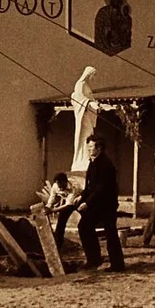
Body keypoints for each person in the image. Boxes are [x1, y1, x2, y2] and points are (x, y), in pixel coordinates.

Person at [76, 135, 125, 272]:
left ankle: (117, 265)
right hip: (97, 204)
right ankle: (94, 258)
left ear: (99, 148)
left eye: (91, 147)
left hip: (106, 205)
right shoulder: (93, 162)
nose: (88, 149)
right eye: (88, 147)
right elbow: (90, 186)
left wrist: (87, 203)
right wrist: (81, 196)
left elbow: (101, 188)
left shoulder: (105, 164)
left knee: (110, 233)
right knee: (85, 226)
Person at [70, 67, 102, 172]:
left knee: (89, 136)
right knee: (85, 138)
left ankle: (86, 159)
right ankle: (81, 160)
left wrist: (96, 105)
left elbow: (90, 100)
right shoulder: (80, 84)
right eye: (93, 75)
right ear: (89, 74)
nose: (94, 77)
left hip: (88, 115)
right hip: (83, 116)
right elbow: (80, 99)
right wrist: (91, 103)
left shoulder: (86, 86)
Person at [45, 172, 79, 250]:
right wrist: (47, 207)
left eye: (61, 186)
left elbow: (69, 205)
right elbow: (52, 197)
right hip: (69, 202)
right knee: (60, 223)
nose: (60, 188)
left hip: (80, 201)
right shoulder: (55, 186)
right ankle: (57, 246)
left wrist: (53, 210)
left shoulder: (74, 187)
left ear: (65, 182)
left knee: (85, 223)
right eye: (58, 186)